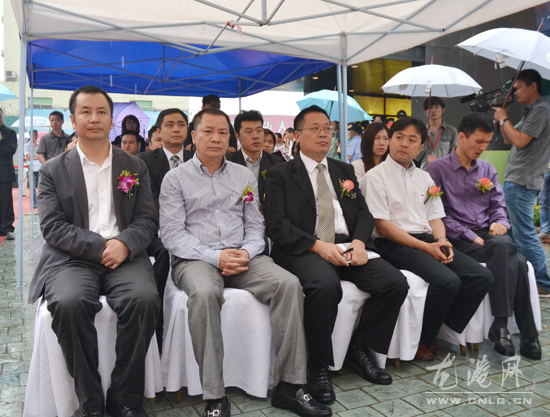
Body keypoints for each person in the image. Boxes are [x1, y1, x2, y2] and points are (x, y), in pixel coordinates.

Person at [159, 108, 331, 417]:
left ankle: (289, 386)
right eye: (208, 131)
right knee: (205, 293)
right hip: (195, 259)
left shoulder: (243, 176)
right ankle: (215, 396)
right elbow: (171, 234)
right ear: (194, 136)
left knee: (288, 284)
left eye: (222, 132)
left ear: (230, 138)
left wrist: (248, 252)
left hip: (242, 256)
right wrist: (215, 256)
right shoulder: (174, 179)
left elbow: (254, 224)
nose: (215, 138)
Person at [264, 105, 409, 404]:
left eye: (327, 129)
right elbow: (277, 225)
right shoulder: (280, 174)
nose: (323, 134)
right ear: (297, 135)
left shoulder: (344, 170)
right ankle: (317, 364)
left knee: (394, 283)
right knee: (324, 286)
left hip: (346, 244)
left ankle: (360, 348)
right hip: (305, 248)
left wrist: (359, 243)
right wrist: (318, 245)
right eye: (314, 128)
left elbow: (363, 213)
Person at [30, 85, 160, 417]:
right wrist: (103, 246)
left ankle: (124, 398)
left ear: (111, 119)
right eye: (85, 111)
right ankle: (89, 404)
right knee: (69, 303)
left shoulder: (135, 166)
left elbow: (147, 219)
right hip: (72, 259)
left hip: (126, 256)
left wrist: (125, 244)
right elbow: (53, 227)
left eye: (101, 111)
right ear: (73, 119)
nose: (94, 118)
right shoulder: (52, 170)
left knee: (144, 299)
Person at [362, 117, 493, 362]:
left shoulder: (424, 178)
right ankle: (424, 337)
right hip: (393, 244)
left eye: (412, 140)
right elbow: (383, 227)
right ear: (390, 141)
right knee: (447, 282)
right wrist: (427, 247)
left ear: (421, 147)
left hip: (428, 239)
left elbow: (435, 217)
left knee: (481, 276)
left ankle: (440, 324)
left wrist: (441, 240)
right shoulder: (375, 177)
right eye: (399, 137)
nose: (404, 144)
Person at [426, 112, 541, 360]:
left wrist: (500, 221)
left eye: (487, 142)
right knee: (518, 261)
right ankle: (527, 334)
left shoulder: (487, 168)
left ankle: (501, 326)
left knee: (505, 248)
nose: (483, 147)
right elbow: (437, 214)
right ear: (461, 137)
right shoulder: (436, 169)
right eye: (479, 141)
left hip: (490, 236)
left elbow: (499, 204)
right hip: (459, 239)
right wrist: (471, 236)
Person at [138, 108, 193, 351]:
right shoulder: (144, 160)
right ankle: (158, 321)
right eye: (170, 125)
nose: (176, 129)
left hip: (194, 227)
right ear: (159, 131)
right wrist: (165, 226)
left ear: (188, 130)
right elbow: (147, 199)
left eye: (181, 124)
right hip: (158, 227)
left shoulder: (197, 157)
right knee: (162, 251)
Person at [493, 69, 550, 297]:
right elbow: (509, 138)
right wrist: (502, 118)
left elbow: (520, 141)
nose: (514, 93)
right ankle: (527, 277)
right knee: (517, 233)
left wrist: (503, 118)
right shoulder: (533, 110)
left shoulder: (542, 109)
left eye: (517, 88)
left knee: (524, 234)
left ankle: (542, 283)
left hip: (522, 181)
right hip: (519, 180)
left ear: (532, 86)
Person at [227, 110, 284, 212]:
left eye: (259, 130)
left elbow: (280, 197)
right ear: (237, 136)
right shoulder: (228, 163)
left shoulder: (276, 162)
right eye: (249, 132)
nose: (256, 136)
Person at [415, 97, 458, 169]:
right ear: (425, 111)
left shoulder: (451, 131)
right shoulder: (421, 131)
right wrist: (423, 144)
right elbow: (417, 157)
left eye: (436, 107)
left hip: (444, 170)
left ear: (443, 110)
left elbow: (455, 155)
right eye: (430, 108)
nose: (433, 110)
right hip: (425, 171)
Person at [0, 108, 17, 240]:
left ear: (1, 117)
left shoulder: (10, 133)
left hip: (4, 173)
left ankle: (7, 228)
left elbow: (10, 150)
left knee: (6, 201)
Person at [24, 129, 41, 208]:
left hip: (39, 167)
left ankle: (40, 201)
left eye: (37, 135)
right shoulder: (26, 145)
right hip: (30, 167)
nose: (36, 136)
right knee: (32, 186)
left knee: (41, 186)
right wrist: (33, 148)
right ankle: (34, 202)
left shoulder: (39, 144)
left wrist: (32, 158)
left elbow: (40, 156)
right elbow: (27, 156)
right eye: (34, 135)